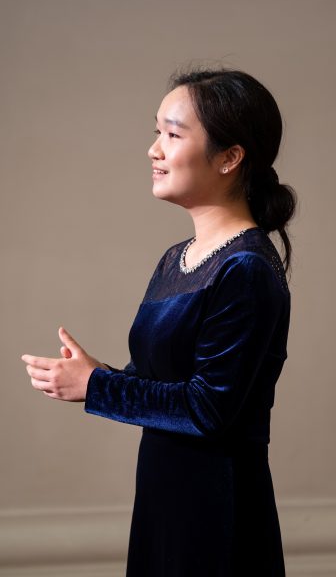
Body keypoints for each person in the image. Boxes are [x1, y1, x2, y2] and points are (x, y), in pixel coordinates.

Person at [22, 68, 296, 576]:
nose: (154, 150)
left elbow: (208, 409)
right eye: (157, 132)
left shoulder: (246, 269)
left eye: (172, 134)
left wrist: (97, 386)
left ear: (230, 157)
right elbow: (164, 386)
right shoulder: (177, 258)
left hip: (217, 511)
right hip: (164, 495)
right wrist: (98, 374)